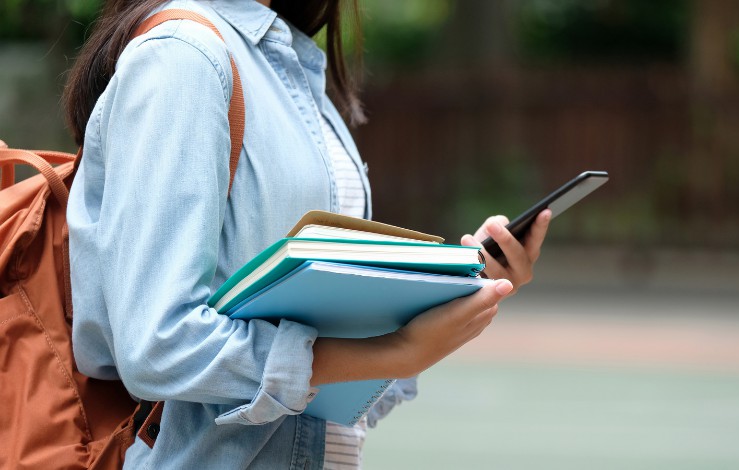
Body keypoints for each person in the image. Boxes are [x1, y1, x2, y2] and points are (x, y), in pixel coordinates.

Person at [63, 0, 551, 468]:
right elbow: (159, 345)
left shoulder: (282, 62)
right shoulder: (184, 56)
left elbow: (324, 399)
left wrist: (460, 289)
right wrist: (394, 352)